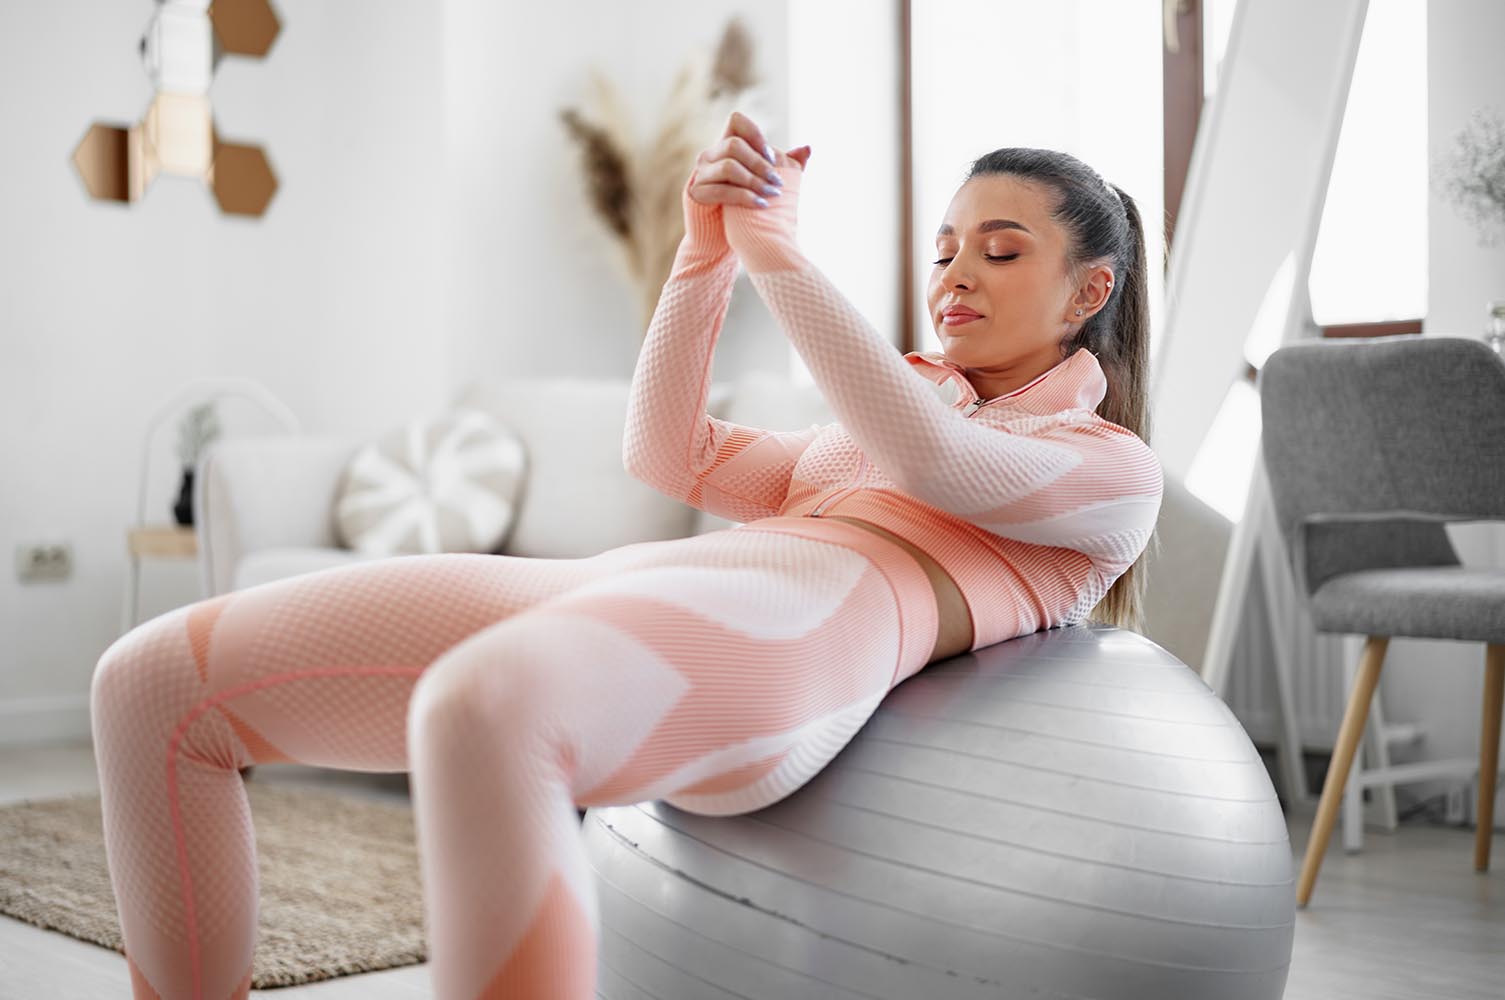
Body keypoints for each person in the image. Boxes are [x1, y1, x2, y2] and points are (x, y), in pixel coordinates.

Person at [88, 110, 1163, 1000]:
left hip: (782, 646)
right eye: (942, 250)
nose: (954, 275)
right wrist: (704, 254)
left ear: (1088, 291)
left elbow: (938, 463)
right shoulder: (875, 426)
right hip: (636, 588)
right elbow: (666, 450)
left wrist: (778, 255)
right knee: (149, 684)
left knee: (484, 709)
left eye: (1000, 250)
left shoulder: (1104, 467)